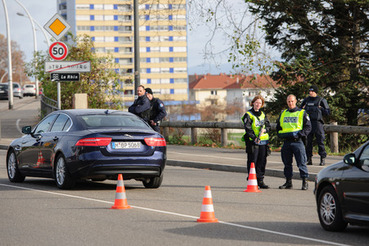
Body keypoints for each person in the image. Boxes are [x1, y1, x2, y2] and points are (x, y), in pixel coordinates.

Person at [277, 94, 311, 190]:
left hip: (297, 141)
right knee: (287, 163)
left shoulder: (302, 113)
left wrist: (299, 135)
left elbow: (308, 127)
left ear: (296, 101)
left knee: (301, 162)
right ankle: (288, 182)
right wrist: (280, 134)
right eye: (288, 101)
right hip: (286, 141)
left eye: (292, 101)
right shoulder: (283, 113)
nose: (290, 103)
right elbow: (278, 127)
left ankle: (305, 182)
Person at [241, 95, 271, 189]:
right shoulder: (248, 114)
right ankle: (252, 179)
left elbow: (268, 126)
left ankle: (260, 180)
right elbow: (248, 128)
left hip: (263, 142)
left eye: (260, 103)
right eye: (256, 102)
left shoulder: (263, 114)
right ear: (253, 103)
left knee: (262, 161)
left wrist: (265, 130)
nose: (258, 104)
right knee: (253, 161)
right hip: (253, 142)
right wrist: (254, 138)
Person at [300, 85, 330, 166]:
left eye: (312, 91)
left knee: (320, 141)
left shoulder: (321, 100)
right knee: (308, 142)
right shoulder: (306, 100)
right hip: (308, 123)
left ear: (316, 92)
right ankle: (309, 159)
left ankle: (322, 158)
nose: (310, 92)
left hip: (317, 123)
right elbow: (299, 110)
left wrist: (321, 109)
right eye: (309, 91)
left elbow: (328, 112)